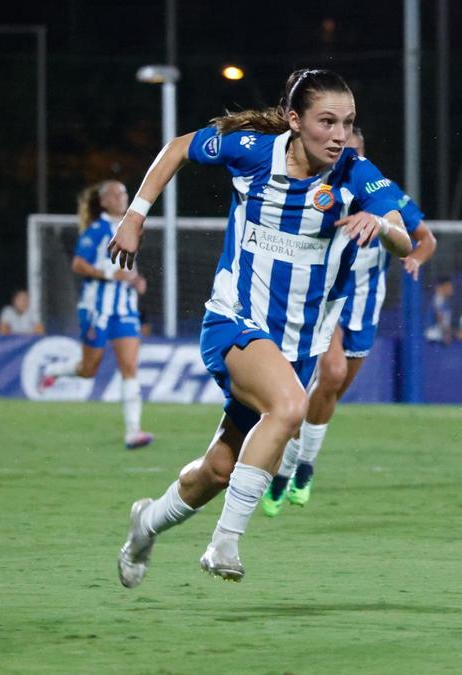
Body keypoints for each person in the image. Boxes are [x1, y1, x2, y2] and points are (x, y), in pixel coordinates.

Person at [109, 68, 413, 587]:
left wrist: (381, 226)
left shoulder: (358, 175)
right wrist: (136, 215)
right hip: (235, 320)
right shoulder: (252, 151)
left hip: (297, 344)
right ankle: (224, 544)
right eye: (327, 122)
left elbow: (406, 240)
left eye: (348, 122)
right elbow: (181, 147)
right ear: (295, 121)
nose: (340, 135)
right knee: (292, 407)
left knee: (218, 470)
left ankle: (146, 526)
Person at [262, 125, 437, 516]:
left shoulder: (384, 195)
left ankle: (300, 466)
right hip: (326, 300)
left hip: (364, 309)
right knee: (334, 372)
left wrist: (413, 257)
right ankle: (284, 472)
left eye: (353, 153)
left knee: (328, 394)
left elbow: (426, 238)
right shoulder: (320, 191)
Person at [38, 181, 153, 450]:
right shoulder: (97, 230)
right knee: (88, 370)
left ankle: (133, 431)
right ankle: (55, 370)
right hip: (96, 308)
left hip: (124, 308)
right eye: (115, 194)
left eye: (124, 193)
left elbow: (127, 266)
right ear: (103, 202)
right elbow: (78, 264)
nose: (122, 197)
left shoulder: (132, 226)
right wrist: (111, 275)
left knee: (130, 368)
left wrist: (137, 281)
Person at [425, 277, 455, 343]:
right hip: (434, 338)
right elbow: (439, 317)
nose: (451, 288)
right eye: (449, 286)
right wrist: (447, 333)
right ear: (441, 287)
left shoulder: (445, 301)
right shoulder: (438, 299)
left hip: (440, 338)